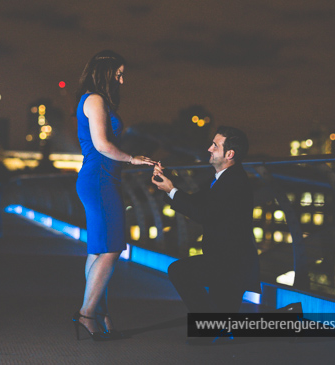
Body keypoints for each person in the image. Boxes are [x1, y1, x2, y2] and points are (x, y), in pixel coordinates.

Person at [72, 50, 155, 341]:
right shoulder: (94, 100)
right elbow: (103, 145)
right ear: (105, 73)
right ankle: (86, 314)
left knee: (98, 249)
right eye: (119, 73)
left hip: (102, 179)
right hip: (99, 179)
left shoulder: (98, 100)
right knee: (112, 247)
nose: (123, 78)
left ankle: (100, 314)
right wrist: (134, 159)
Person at [152, 126, 259, 318]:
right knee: (224, 316)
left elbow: (203, 213)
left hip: (231, 264)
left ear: (230, 154)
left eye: (215, 146)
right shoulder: (224, 178)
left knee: (179, 271)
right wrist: (170, 184)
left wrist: (171, 190)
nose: (209, 149)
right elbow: (196, 201)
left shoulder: (233, 181)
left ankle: (212, 326)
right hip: (225, 260)